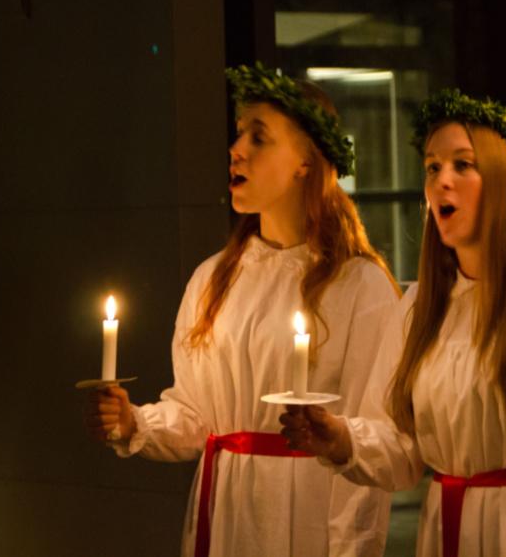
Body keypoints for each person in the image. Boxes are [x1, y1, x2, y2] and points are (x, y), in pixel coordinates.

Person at [280, 88, 506, 557]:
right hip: (446, 532)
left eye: (463, 165)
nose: (442, 180)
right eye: (432, 167)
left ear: (505, 180)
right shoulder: (422, 306)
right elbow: (402, 450)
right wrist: (341, 437)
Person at [83, 63, 400, 557]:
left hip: (308, 522)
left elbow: (375, 440)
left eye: (259, 137)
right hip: (227, 519)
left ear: (304, 161)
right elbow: (195, 417)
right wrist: (134, 423)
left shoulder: (360, 287)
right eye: (238, 135)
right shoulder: (213, 279)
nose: (236, 150)